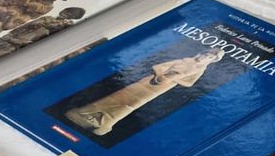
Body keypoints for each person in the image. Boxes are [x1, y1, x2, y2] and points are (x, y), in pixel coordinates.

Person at [64, 49, 225, 137]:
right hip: (149, 81)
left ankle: (104, 122)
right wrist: (160, 75)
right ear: (202, 53)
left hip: (160, 88)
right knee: (120, 96)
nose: (206, 57)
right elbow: (160, 66)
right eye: (206, 54)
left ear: (211, 61)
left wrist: (174, 79)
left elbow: (189, 83)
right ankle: (85, 113)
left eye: (209, 57)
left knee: (131, 104)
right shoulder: (185, 60)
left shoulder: (199, 69)